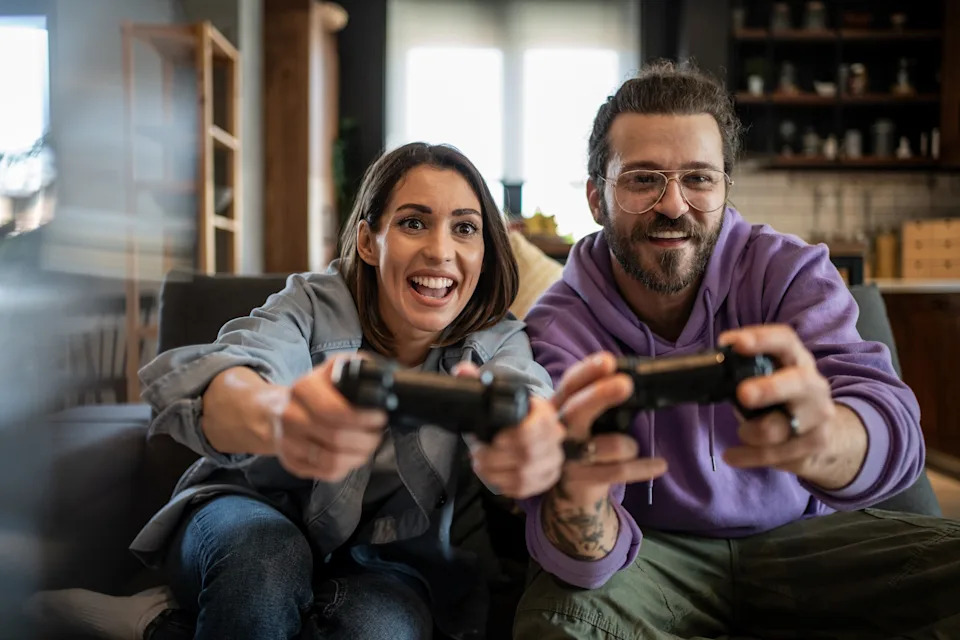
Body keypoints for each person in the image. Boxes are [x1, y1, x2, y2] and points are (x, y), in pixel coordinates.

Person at [28, 142, 566, 640]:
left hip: (394, 562)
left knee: (377, 630)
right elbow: (234, 367)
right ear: (368, 241)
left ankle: (162, 623)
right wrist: (278, 414)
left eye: (465, 228)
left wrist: (531, 443)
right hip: (247, 514)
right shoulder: (310, 303)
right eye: (413, 223)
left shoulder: (498, 343)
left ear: (486, 252)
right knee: (264, 564)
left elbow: (529, 401)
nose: (440, 250)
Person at [514, 60, 960, 639]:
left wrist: (826, 438)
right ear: (598, 198)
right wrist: (578, 501)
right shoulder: (558, 324)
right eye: (644, 178)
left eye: (698, 179)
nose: (673, 205)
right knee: (559, 621)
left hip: (807, 542)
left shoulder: (791, 272)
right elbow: (585, 556)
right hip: (649, 556)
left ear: (725, 187)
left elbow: (894, 427)